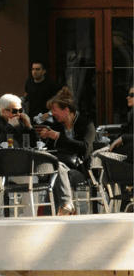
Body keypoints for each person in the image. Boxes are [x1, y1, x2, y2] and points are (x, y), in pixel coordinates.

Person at [34, 87, 94, 215]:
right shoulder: (56, 126)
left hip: (79, 169)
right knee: (56, 168)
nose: (52, 114)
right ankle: (64, 207)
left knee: (56, 169)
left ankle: (54, 212)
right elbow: (50, 150)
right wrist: (45, 139)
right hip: (59, 165)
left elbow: (85, 148)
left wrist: (60, 138)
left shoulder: (86, 124)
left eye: (54, 110)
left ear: (66, 110)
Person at [107, 86, 133, 161]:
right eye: (128, 95)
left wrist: (122, 138)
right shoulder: (131, 113)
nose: (128, 97)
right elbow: (126, 130)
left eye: (132, 95)